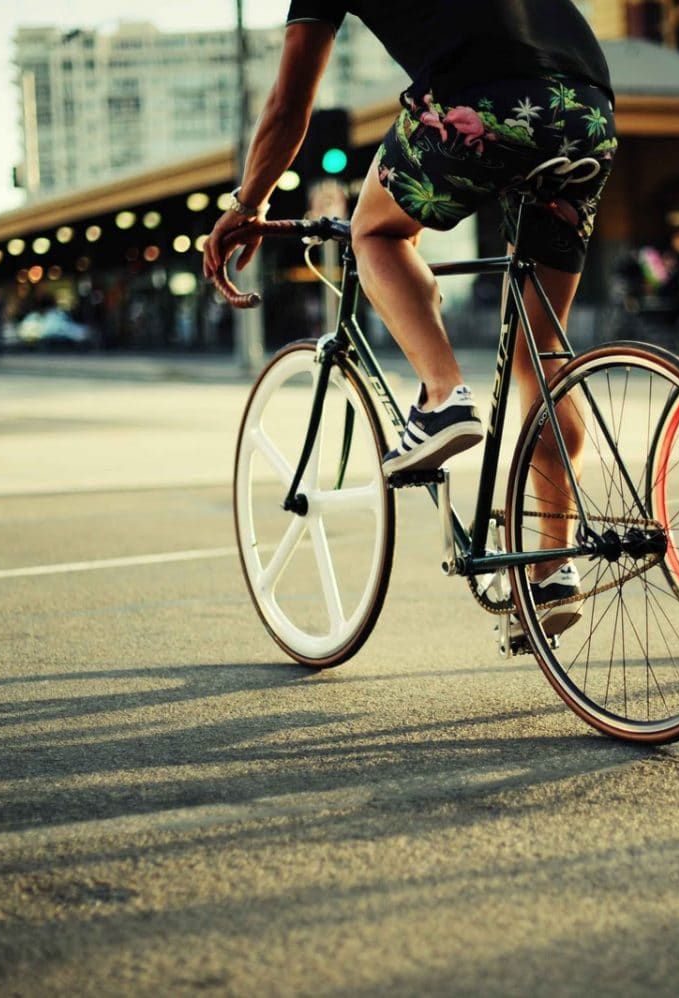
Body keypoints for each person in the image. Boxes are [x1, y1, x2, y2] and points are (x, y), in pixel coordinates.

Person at [203, 0, 617, 633]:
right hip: (586, 113)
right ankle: (552, 566)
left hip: (483, 104)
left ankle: (443, 397)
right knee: (544, 357)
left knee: (373, 233)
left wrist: (246, 202)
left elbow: (289, 107)